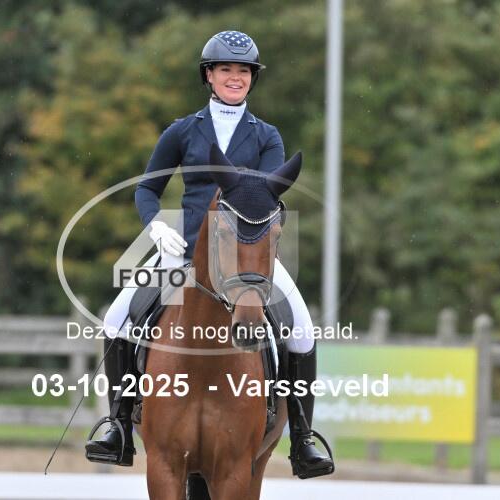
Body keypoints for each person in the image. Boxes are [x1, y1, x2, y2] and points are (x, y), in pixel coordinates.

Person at [85, 30, 334, 480]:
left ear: (252, 78)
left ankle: (302, 436)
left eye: (243, 71)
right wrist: (156, 226)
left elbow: (265, 195)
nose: (235, 78)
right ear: (209, 76)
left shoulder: (266, 135)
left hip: (246, 255)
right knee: (116, 318)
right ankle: (117, 425)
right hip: (182, 251)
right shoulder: (183, 130)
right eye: (226, 70)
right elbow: (147, 189)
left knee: (301, 328)